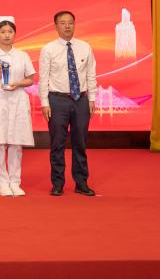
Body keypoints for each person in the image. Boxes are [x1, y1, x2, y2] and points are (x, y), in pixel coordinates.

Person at [39, 10, 97, 196]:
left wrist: (92, 98)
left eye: (70, 22)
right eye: (63, 23)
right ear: (56, 26)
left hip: (81, 100)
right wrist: (44, 103)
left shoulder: (85, 47)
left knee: (80, 142)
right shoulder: (48, 49)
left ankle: (81, 182)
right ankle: (57, 183)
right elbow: (43, 78)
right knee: (57, 143)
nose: (67, 26)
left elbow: (91, 74)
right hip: (57, 100)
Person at [0, 16, 35, 197]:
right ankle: (2, 183)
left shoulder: (22, 55)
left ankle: (15, 182)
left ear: (14, 34)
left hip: (17, 99)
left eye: (10, 31)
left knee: (16, 142)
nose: (7, 35)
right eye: (3, 32)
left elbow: (30, 79)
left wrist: (18, 83)